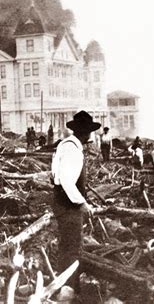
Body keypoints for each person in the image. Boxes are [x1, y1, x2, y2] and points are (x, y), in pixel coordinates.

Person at [51, 110, 99, 293]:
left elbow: (54, 174)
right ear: (86, 133)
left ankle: (63, 285)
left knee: (66, 245)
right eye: (89, 132)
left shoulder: (64, 145)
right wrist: (81, 203)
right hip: (68, 204)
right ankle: (69, 290)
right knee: (72, 248)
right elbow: (66, 179)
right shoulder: (73, 150)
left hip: (60, 201)